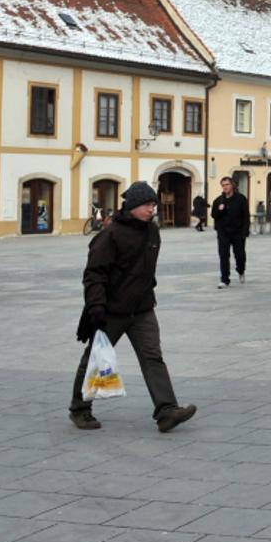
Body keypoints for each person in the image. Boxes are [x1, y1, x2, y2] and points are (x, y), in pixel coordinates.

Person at [69, 181, 197, 433]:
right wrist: (96, 308)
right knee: (95, 357)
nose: (152, 209)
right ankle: (79, 409)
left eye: (154, 205)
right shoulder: (111, 235)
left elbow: (147, 266)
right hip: (111, 310)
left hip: (142, 309)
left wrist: (147, 286)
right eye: (147, 205)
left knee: (153, 357)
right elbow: (94, 274)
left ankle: (166, 411)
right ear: (133, 206)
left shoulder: (153, 231)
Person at [211, 176, 250, 289]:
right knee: (223, 255)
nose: (225, 187)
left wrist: (245, 231)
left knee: (240, 255)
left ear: (232, 185)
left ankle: (241, 270)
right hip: (223, 233)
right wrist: (220, 210)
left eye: (227, 184)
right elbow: (213, 215)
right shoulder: (218, 200)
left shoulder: (241, 199)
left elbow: (246, 216)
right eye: (223, 185)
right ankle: (224, 279)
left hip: (238, 232)